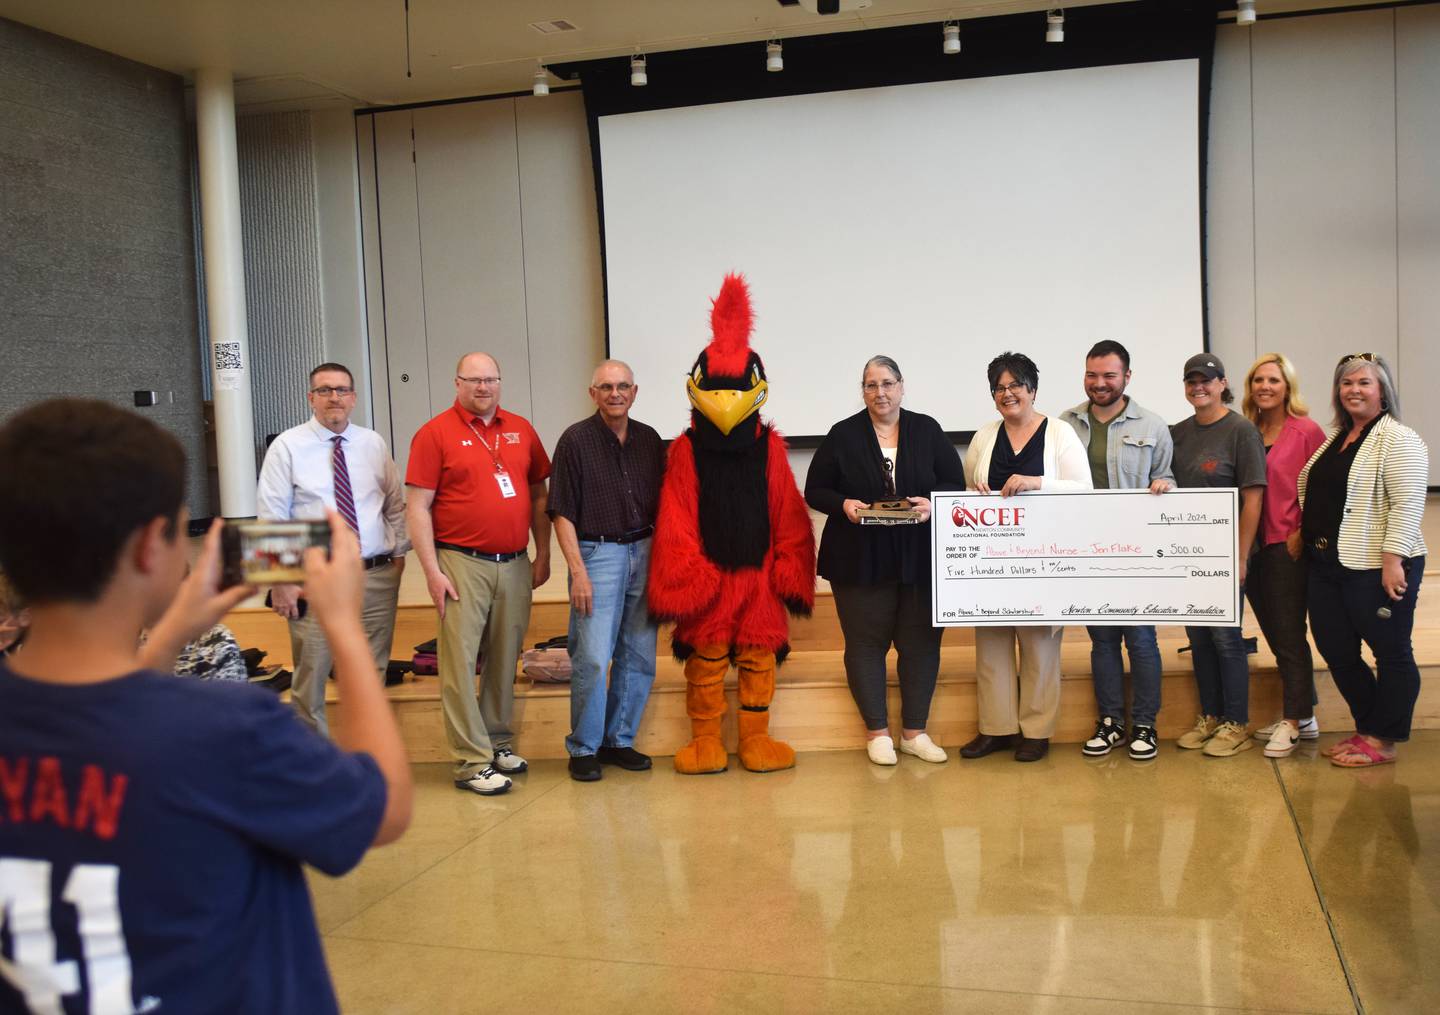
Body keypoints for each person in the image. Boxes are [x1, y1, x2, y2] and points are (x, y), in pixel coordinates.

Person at [0, 399, 411, 1013]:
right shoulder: (224, 728)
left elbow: (106, 722)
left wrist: (170, 632)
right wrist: (345, 628)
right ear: (148, 548)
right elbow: (382, 810)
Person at [805, 355, 964, 766]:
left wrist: (931, 504)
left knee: (922, 644)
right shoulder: (842, 434)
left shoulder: (926, 429)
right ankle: (877, 734)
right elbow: (815, 489)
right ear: (863, 390)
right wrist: (844, 504)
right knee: (865, 644)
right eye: (871, 385)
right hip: (859, 557)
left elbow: (953, 481)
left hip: (919, 555)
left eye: (888, 383)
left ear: (901, 386)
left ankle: (915, 732)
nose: (881, 392)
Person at [406, 352, 552, 795]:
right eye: (474, 380)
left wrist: (542, 553)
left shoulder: (521, 429)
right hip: (460, 561)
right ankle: (471, 762)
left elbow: (539, 494)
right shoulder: (434, 434)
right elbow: (417, 508)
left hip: (513, 561)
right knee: (460, 661)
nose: (483, 388)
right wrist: (432, 572)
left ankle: (496, 740)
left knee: (506, 655)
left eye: (491, 380)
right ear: (457, 383)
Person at [257, 362, 409, 735]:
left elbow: (394, 503)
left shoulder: (372, 443)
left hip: (374, 574)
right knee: (312, 676)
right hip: (317, 579)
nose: (334, 398)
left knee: (370, 674)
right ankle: (316, 767)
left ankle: (366, 754)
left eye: (341, 390)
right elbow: (271, 515)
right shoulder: (287, 446)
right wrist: (280, 580)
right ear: (311, 398)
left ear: (353, 398)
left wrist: (399, 555)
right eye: (324, 390)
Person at [961, 352, 1092, 762]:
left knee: (1039, 647)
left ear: (1032, 389)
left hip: (1043, 561)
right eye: (999, 388)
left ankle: (1036, 732)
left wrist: (1037, 482)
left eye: (1016, 385)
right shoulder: (985, 436)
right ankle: (996, 729)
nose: (1008, 393)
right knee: (992, 646)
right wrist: (976, 496)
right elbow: (967, 491)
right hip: (993, 564)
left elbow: (1083, 491)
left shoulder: (1060, 433)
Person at [1299, 353, 1428, 768]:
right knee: (1336, 649)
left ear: (1383, 392)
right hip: (1326, 564)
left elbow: (1408, 505)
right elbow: (1321, 494)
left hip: (1377, 565)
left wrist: (1394, 560)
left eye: (1364, 383)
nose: (1354, 390)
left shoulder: (1400, 439)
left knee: (1390, 652)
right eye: (1346, 383)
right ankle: (1369, 726)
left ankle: (1383, 739)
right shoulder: (1336, 437)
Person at [548, 360, 665, 782]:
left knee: (638, 653)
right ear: (592, 393)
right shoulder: (574, 441)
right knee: (594, 657)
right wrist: (577, 571)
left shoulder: (650, 440)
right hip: (597, 555)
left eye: (623, 386)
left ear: (635, 392)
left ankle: (619, 740)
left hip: (646, 550)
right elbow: (560, 510)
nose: (615, 393)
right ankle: (584, 747)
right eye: (606, 387)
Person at [1059, 340, 1175, 762]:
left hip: (1138, 553)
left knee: (1142, 641)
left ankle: (1145, 724)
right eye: (1092, 374)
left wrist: (1167, 486)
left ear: (1127, 376)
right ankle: (1110, 722)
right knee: (1102, 642)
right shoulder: (1064, 425)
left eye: (1109, 375)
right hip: (1086, 553)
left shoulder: (1153, 425)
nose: (1100, 383)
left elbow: (1169, 478)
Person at [1169, 353, 1266, 757]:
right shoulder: (1177, 433)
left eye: (1206, 381)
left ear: (1223, 384)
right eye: (1191, 381)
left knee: (1226, 640)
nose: (1199, 387)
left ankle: (1236, 722)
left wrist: (1240, 557)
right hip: (1188, 556)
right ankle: (1210, 716)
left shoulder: (1241, 431)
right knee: (1199, 639)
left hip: (1225, 557)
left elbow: (1253, 498)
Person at [1241, 353, 1326, 757]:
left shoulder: (1306, 430)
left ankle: (1293, 721)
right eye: (1258, 380)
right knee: (1275, 634)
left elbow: (1326, 486)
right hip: (1251, 545)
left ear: (1287, 386)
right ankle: (1305, 715)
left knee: (1290, 634)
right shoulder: (1247, 429)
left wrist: (1303, 531)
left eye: (1273, 380)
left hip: (1287, 546)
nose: (1265, 387)